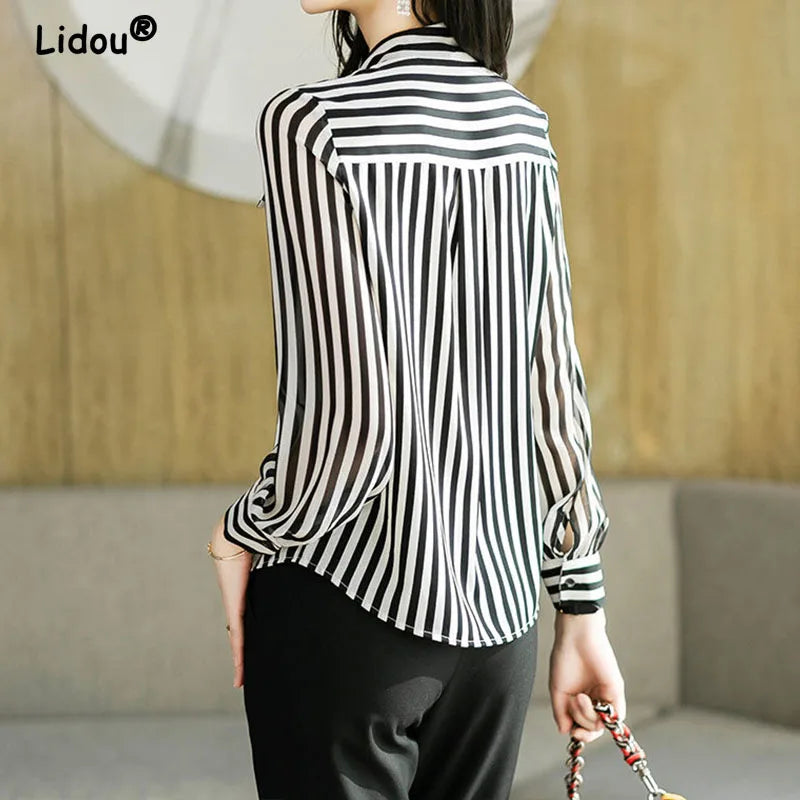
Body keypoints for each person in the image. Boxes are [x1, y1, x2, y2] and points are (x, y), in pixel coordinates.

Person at [208, 1, 626, 798]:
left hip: (349, 601)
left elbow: (351, 426)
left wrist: (244, 531)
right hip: (502, 627)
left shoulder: (312, 125)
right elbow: (553, 390)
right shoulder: (522, 127)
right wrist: (581, 608)